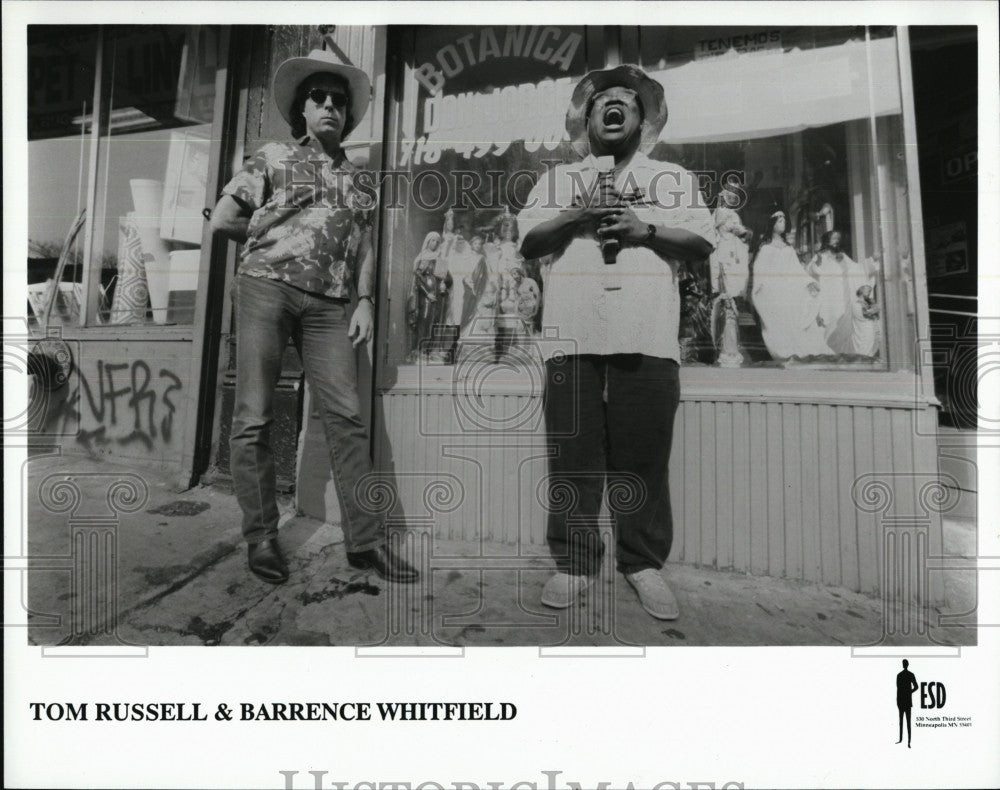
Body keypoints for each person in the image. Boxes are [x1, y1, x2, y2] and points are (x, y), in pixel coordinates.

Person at [210, 49, 418, 585]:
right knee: (253, 416)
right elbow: (224, 219)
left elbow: (366, 246)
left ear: (347, 114)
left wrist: (366, 300)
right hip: (266, 292)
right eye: (319, 98)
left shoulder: (361, 180)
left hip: (328, 307)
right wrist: (272, 242)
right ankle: (261, 537)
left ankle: (365, 543)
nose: (329, 106)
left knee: (347, 419)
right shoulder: (273, 157)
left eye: (339, 101)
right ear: (302, 109)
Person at [518, 64, 716, 620]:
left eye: (628, 100)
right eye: (603, 99)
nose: (615, 104)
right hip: (571, 333)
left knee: (643, 457)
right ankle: (574, 562)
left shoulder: (672, 178)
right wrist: (579, 212)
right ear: (586, 118)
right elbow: (529, 240)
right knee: (573, 455)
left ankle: (642, 562)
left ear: (643, 119)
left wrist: (642, 229)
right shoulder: (558, 179)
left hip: (646, 333)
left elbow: (702, 241)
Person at [750, 211, 819, 360]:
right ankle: (782, 351)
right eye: (779, 221)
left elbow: (797, 269)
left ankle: (795, 349)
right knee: (777, 320)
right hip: (772, 289)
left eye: (784, 221)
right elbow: (759, 269)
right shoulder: (766, 247)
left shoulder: (788, 247)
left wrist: (809, 282)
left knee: (792, 317)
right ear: (772, 224)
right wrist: (760, 287)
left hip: (789, 288)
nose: (783, 223)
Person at [807, 230, 875, 354]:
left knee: (842, 326)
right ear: (827, 240)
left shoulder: (842, 257)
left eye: (838, 238)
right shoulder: (820, 256)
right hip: (827, 298)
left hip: (843, 297)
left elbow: (857, 268)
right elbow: (810, 272)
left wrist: (871, 262)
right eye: (834, 238)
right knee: (827, 326)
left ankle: (840, 353)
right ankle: (827, 353)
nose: (837, 240)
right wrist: (816, 266)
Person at [896, 659, 918, 748]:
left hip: (901, 701)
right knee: (908, 722)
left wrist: (898, 700)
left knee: (901, 721)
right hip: (907, 701)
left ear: (903, 665)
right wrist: (910, 692)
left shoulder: (899, 675)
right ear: (907, 664)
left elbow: (898, 689)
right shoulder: (910, 674)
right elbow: (916, 687)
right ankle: (908, 742)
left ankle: (902, 740)